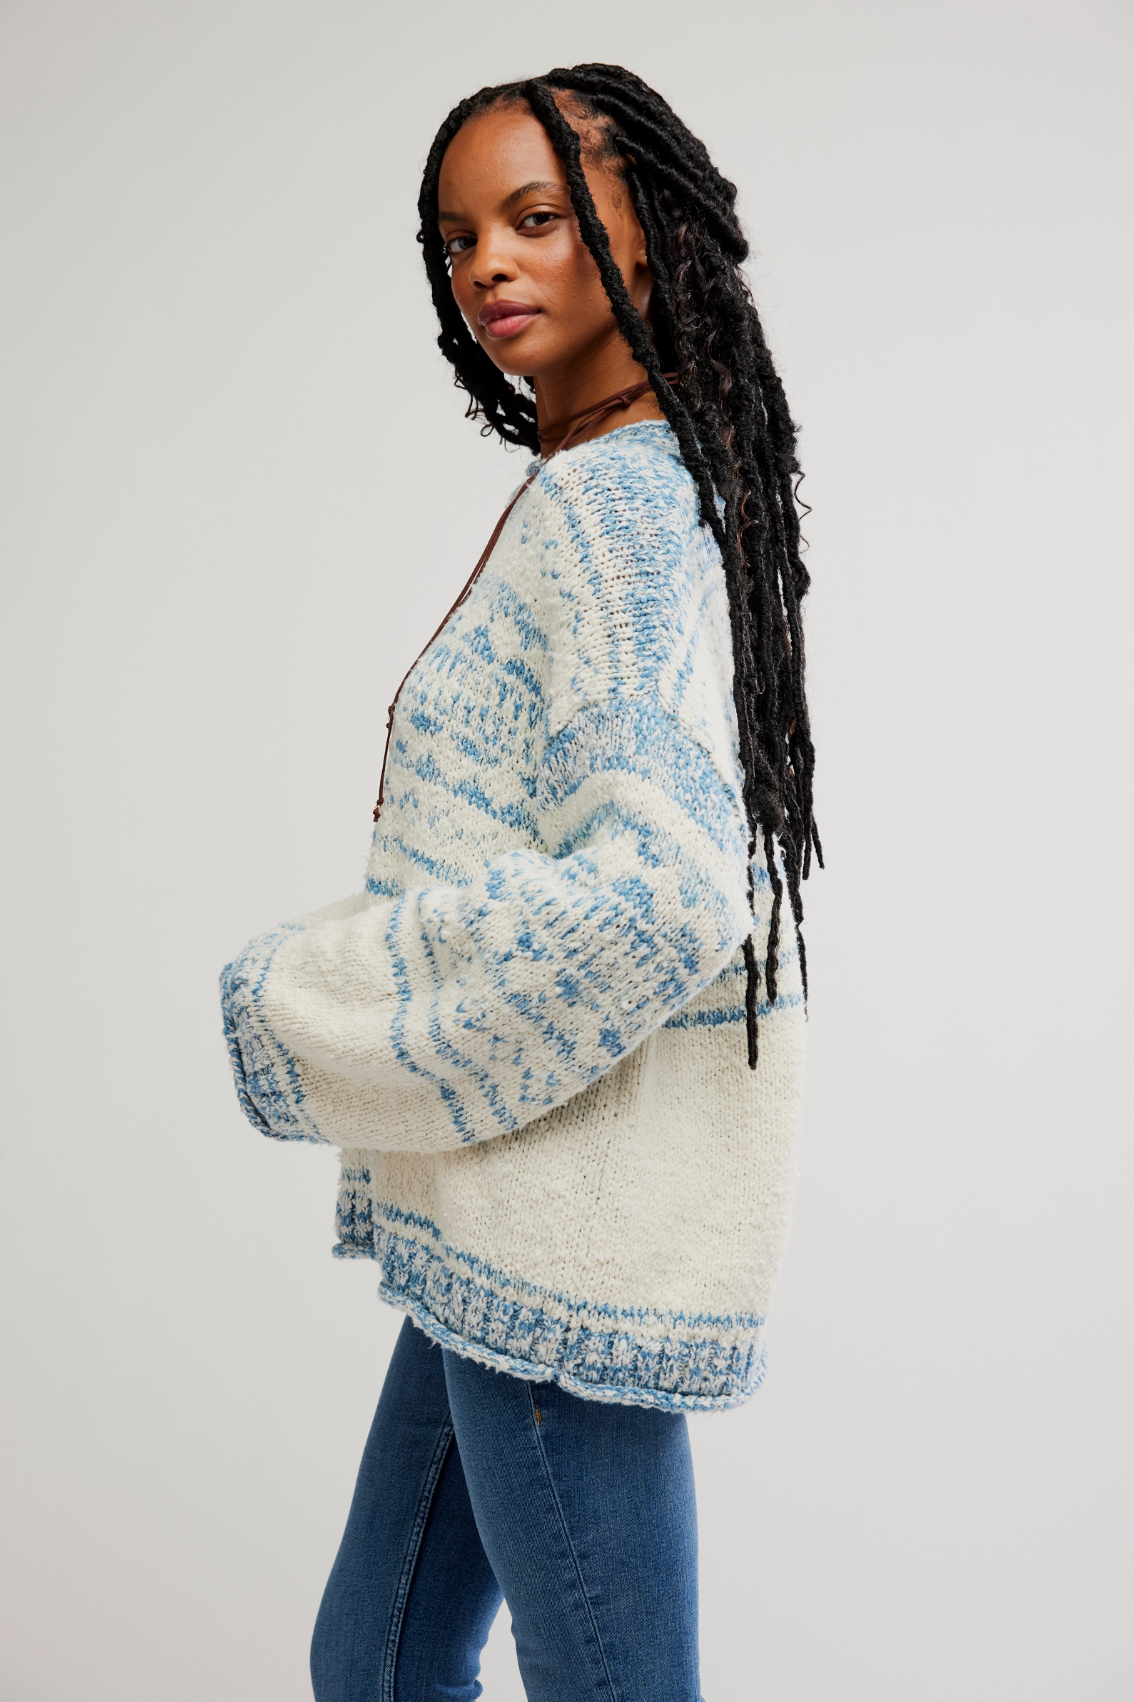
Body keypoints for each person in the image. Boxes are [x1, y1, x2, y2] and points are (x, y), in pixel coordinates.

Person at [221, 62, 819, 1702]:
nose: (488, 261)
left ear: (652, 229)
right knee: (379, 1655)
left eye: (537, 217)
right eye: (458, 235)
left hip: (564, 1214)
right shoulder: (612, 481)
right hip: (496, 1198)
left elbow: (662, 892)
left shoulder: (616, 508)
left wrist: (325, 992)